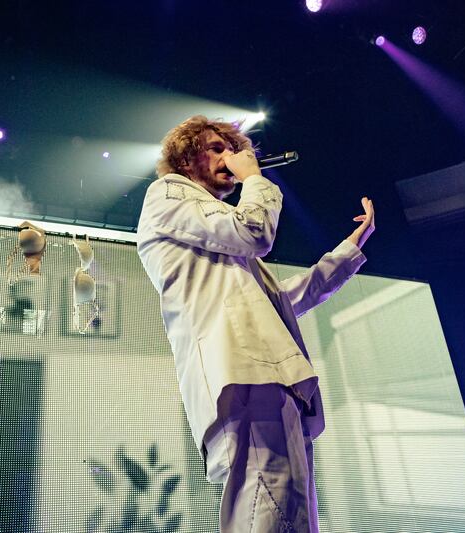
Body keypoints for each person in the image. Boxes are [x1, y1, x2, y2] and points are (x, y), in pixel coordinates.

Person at [136, 116, 374, 532]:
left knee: (291, 515)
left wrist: (348, 253)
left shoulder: (223, 246)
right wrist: (255, 181)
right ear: (185, 157)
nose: (229, 156)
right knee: (268, 506)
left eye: (232, 148)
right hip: (242, 374)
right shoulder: (168, 192)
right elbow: (254, 230)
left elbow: (282, 302)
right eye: (215, 148)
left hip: (267, 375)